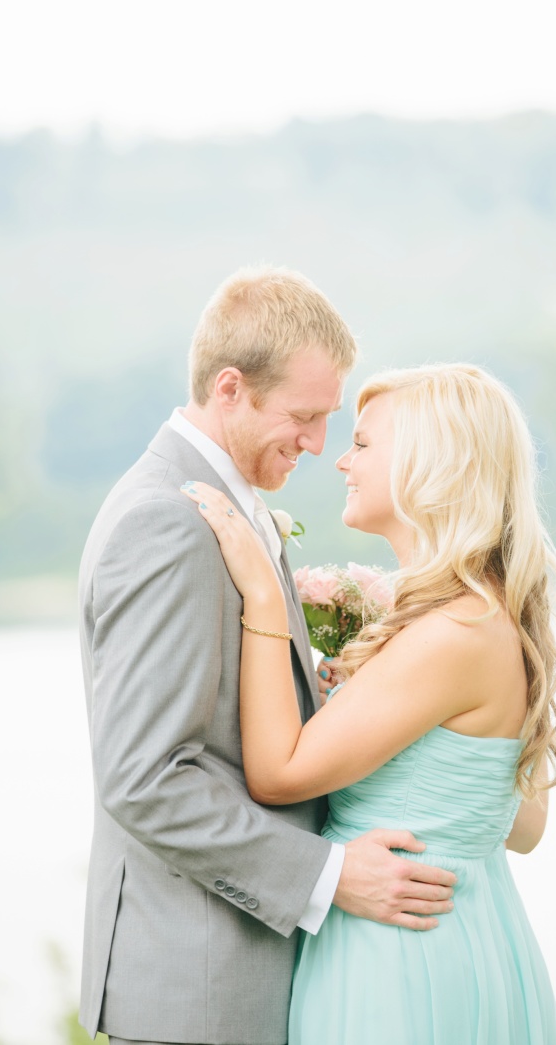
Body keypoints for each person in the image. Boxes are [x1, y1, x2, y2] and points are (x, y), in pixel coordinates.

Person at [77, 267, 458, 1045]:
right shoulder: (167, 521)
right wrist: (330, 876)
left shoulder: (224, 505)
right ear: (229, 389)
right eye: (304, 416)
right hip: (197, 994)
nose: (318, 444)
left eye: (329, 421)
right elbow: (144, 780)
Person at [184, 362, 556, 1044]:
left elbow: (278, 772)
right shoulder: (482, 614)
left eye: (362, 444)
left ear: (432, 465)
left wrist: (264, 597)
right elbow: (523, 824)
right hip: (471, 931)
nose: (339, 461)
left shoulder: (452, 634)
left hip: (399, 960)